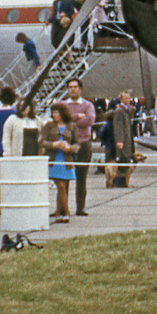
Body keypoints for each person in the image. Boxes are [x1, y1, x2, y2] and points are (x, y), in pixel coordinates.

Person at [59, 78, 96, 216]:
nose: (72, 89)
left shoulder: (88, 105)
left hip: (83, 143)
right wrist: (77, 116)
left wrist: (70, 120)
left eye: (75, 87)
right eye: (70, 87)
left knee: (81, 177)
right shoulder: (62, 104)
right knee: (64, 177)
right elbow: (59, 119)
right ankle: (63, 208)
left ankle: (80, 207)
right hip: (65, 143)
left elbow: (90, 120)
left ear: (80, 89)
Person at [40, 103, 78, 221]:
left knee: (63, 187)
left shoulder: (71, 126)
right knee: (60, 186)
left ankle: (58, 212)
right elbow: (41, 142)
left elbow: (77, 144)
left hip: (66, 161)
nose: (54, 115)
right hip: (53, 160)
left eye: (57, 112)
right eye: (53, 112)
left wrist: (70, 148)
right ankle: (66, 213)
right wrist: (53, 144)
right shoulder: (49, 126)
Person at [108, 91, 136, 188]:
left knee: (126, 159)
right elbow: (118, 126)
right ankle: (119, 182)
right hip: (123, 140)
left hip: (128, 139)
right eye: (125, 98)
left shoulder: (127, 110)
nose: (128, 100)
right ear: (121, 99)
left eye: (129, 98)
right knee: (123, 160)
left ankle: (123, 182)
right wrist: (119, 140)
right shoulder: (120, 110)